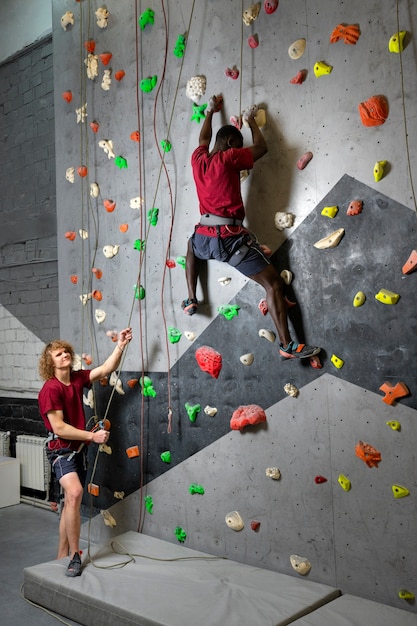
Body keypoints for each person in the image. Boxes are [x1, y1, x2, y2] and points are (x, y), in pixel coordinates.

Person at [182, 94, 320, 360]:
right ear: (231, 143)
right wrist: (252, 122)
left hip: (204, 237)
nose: (239, 150)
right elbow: (262, 148)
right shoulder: (229, 158)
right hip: (228, 241)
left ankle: (191, 297)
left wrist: (210, 112)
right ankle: (287, 344)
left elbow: (203, 139)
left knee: (191, 244)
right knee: (274, 285)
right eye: (237, 144)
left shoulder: (198, 160)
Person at [38, 327, 133, 577]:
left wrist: (120, 345)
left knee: (70, 501)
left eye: (65, 352)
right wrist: (92, 436)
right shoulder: (51, 389)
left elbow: (105, 369)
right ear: (50, 362)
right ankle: (75, 555)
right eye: (57, 355)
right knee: (76, 492)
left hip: (78, 451)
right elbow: (59, 427)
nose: (64, 355)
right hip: (61, 451)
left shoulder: (77, 378)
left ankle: (61, 553)